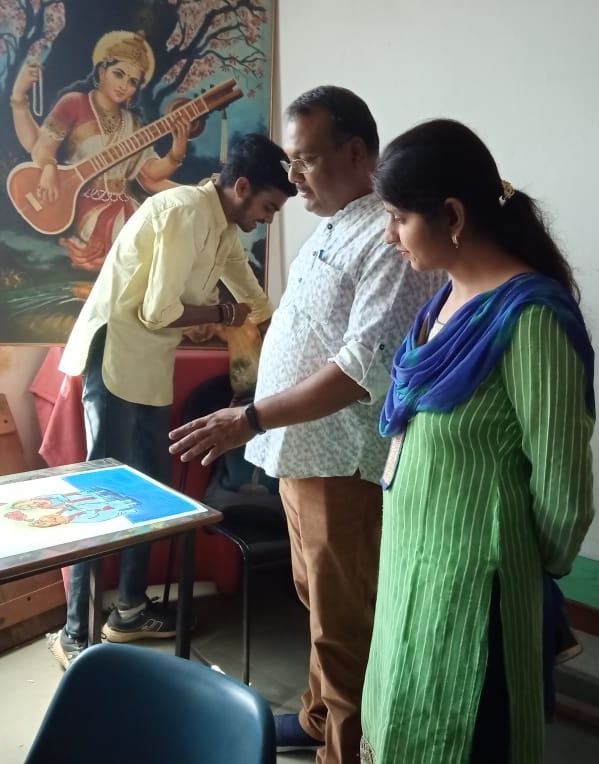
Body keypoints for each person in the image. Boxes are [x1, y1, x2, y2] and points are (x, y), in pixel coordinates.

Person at [168, 87, 444, 763]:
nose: (293, 177)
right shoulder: (334, 222)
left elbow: (359, 368)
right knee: (317, 604)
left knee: (345, 624)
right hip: (300, 455)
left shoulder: (388, 236)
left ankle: (345, 749)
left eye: (307, 160)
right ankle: (320, 718)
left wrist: (250, 416)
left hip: (343, 463)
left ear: (358, 153)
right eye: (290, 162)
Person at [358, 119, 596, 764]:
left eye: (399, 218)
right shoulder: (444, 300)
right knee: (400, 708)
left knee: (461, 729)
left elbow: (564, 491)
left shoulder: (531, 320)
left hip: (476, 585)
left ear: (454, 215)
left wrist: (515, 565)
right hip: (411, 563)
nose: (389, 235)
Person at [45, 133, 296, 669]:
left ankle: (129, 611)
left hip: (150, 363)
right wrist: (223, 316)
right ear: (243, 187)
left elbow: (251, 297)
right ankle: (73, 632)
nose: (267, 219)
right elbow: (158, 313)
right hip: (115, 355)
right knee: (101, 492)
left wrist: (287, 342)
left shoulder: (222, 226)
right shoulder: (183, 211)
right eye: (269, 207)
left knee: (151, 491)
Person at [10, 31, 191, 271]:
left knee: (165, 244)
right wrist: (49, 169)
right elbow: (40, 147)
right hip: (86, 207)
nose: (124, 86)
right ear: (102, 70)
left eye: (133, 82)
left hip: (126, 205)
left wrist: (176, 153)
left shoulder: (134, 124)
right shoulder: (74, 103)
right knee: (138, 250)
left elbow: (149, 175)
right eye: (119, 74)